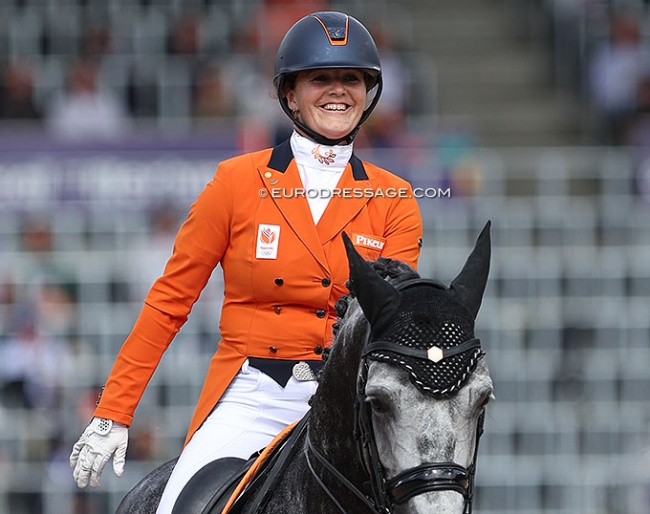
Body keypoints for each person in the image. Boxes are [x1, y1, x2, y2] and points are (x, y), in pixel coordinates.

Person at [69, 11, 423, 513]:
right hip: (253, 393)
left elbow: (388, 322)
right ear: (290, 95)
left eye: (352, 79)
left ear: (370, 94)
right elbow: (169, 300)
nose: (338, 91)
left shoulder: (395, 198)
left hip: (345, 401)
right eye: (320, 78)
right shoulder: (235, 183)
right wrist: (114, 412)